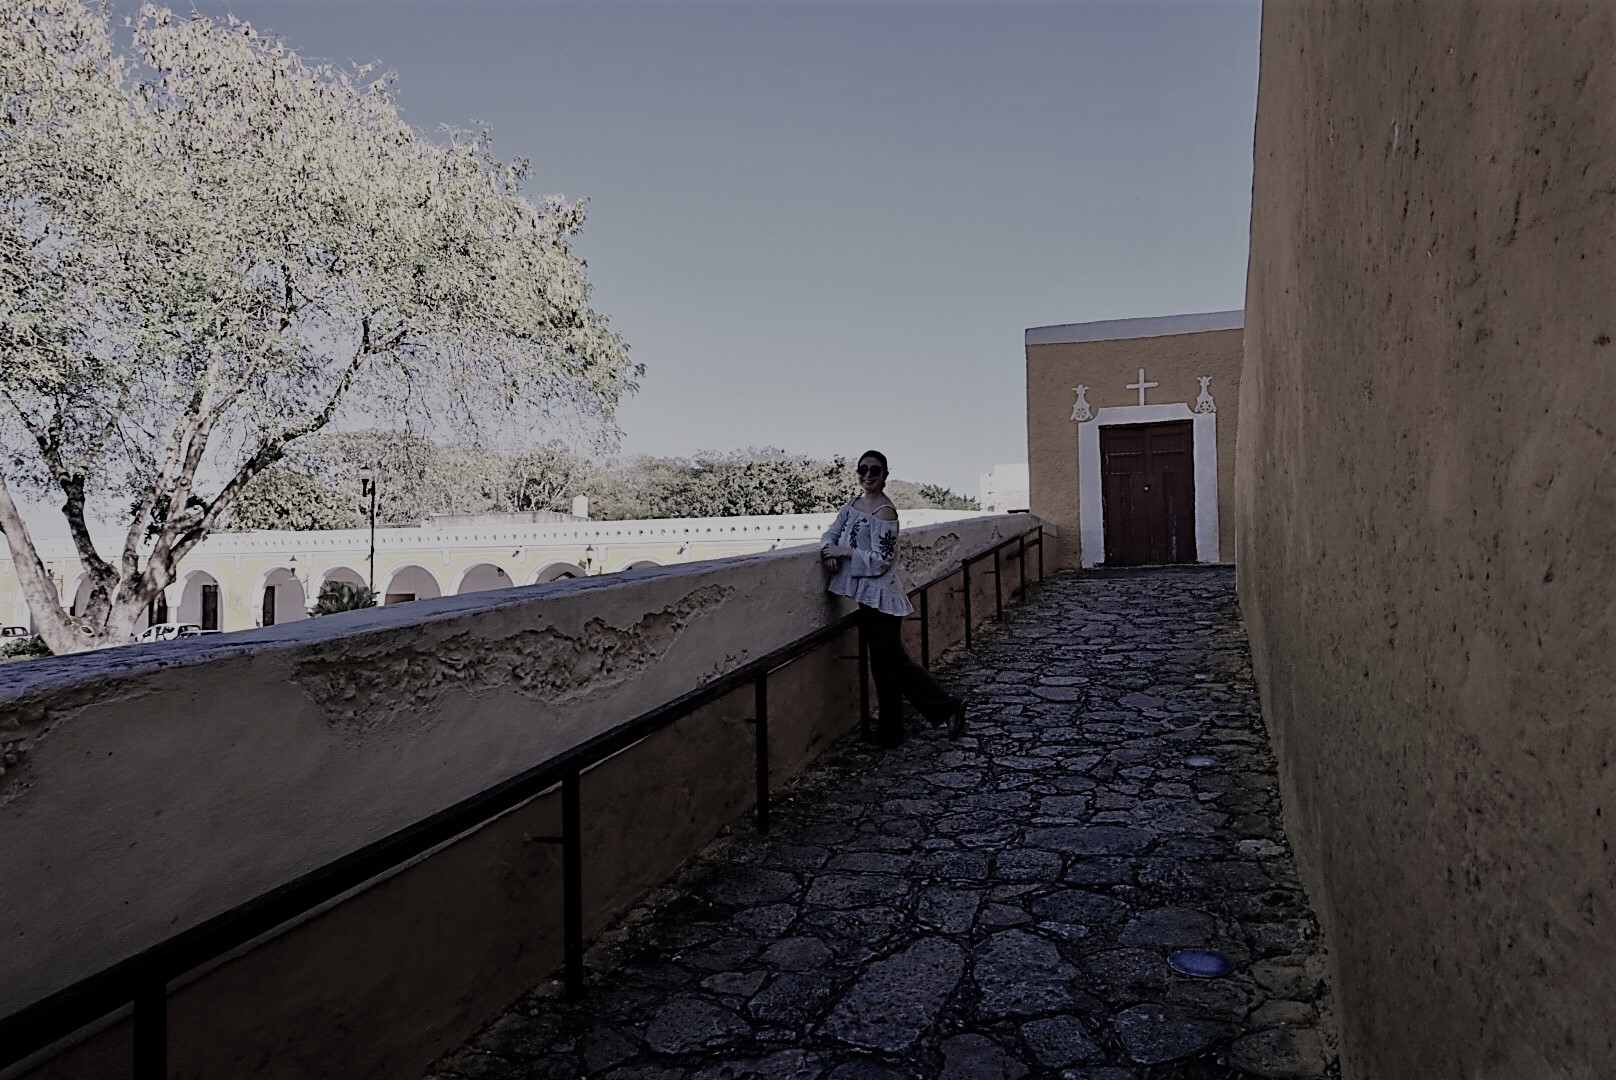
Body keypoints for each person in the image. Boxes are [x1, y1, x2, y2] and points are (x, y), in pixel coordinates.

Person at [820, 450, 966, 748]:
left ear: (885, 475)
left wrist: (843, 552)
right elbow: (831, 533)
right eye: (863, 469)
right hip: (868, 598)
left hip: (882, 600)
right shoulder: (852, 505)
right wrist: (827, 551)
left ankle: (898, 730)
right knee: (894, 664)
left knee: (888, 667)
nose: (868, 475)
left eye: (875, 470)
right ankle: (942, 710)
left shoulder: (886, 513)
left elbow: (881, 560)